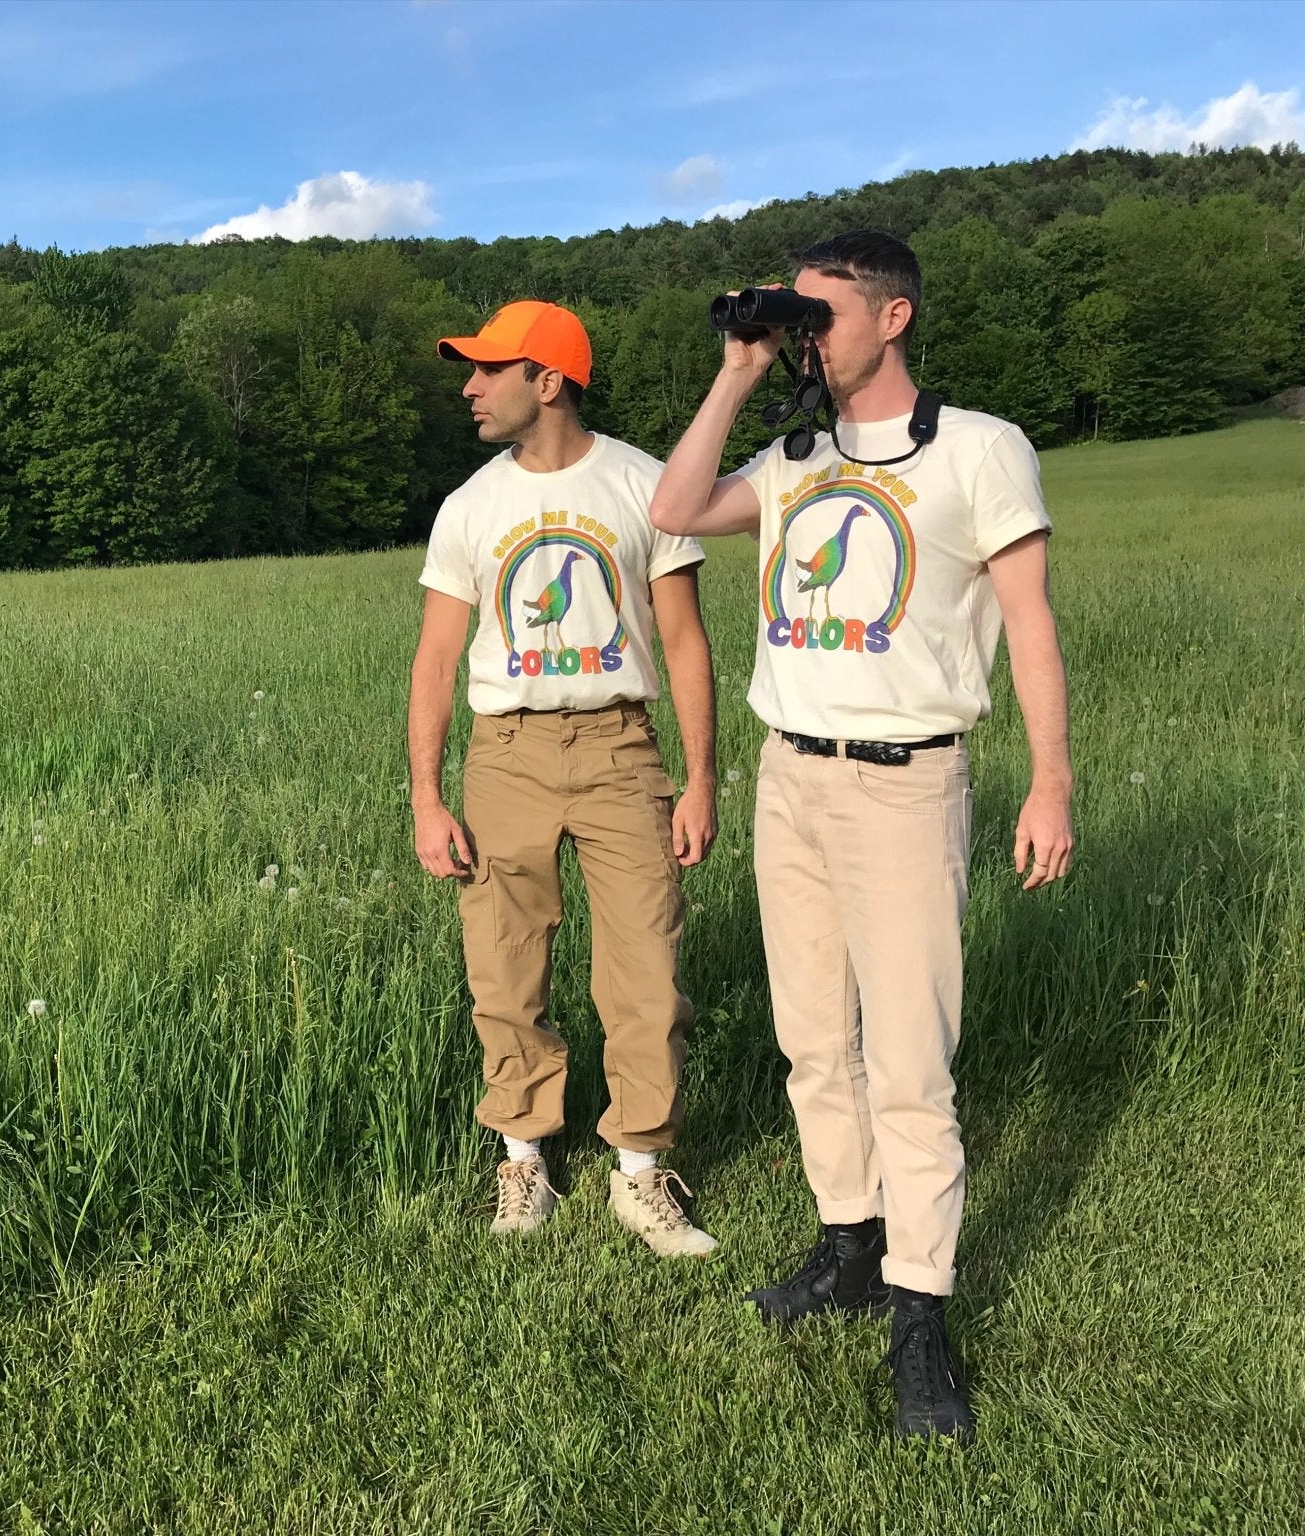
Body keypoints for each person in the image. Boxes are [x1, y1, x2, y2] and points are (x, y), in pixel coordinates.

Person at [648, 231, 1075, 1443]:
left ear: (892, 318)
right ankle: (846, 1244)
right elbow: (673, 509)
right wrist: (738, 370)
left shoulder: (979, 450)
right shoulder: (791, 455)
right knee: (810, 1044)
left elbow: (1030, 625)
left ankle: (919, 1310)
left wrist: (1049, 782)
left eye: (818, 313)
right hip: (791, 778)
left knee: (907, 1063)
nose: (802, 333)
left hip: (904, 785)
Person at [409, 299, 720, 1257]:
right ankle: (524, 1161)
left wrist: (700, 779)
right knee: (504, 965)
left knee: (647, 968)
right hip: (506, 754)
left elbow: (682, 638)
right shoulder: (469, 506)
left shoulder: (647, 486)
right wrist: (427, 797)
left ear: (547, 380)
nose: (468, 387)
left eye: (487, 369)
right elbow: (434, 658)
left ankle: (639, 1171)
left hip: (624, 750)